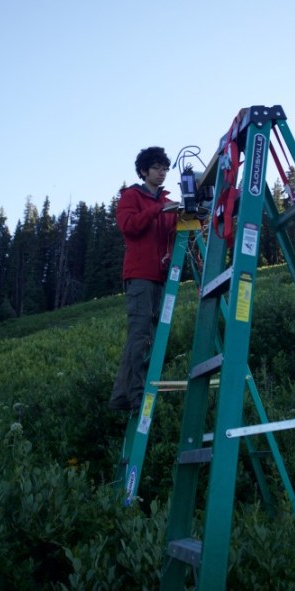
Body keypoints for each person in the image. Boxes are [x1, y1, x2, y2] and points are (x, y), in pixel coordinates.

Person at [109, 146, 178, 412]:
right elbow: (129, 227)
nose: (162, 173)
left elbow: (172, 233)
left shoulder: (166, 202)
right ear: (143, 171)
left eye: (165, 169)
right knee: (140, 335)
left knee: (150, 337)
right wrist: (157, 211)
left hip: (161, 277)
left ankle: (122, 396)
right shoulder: (131, 196)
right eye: (157, 168)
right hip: (139, 276)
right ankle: (136, 397)